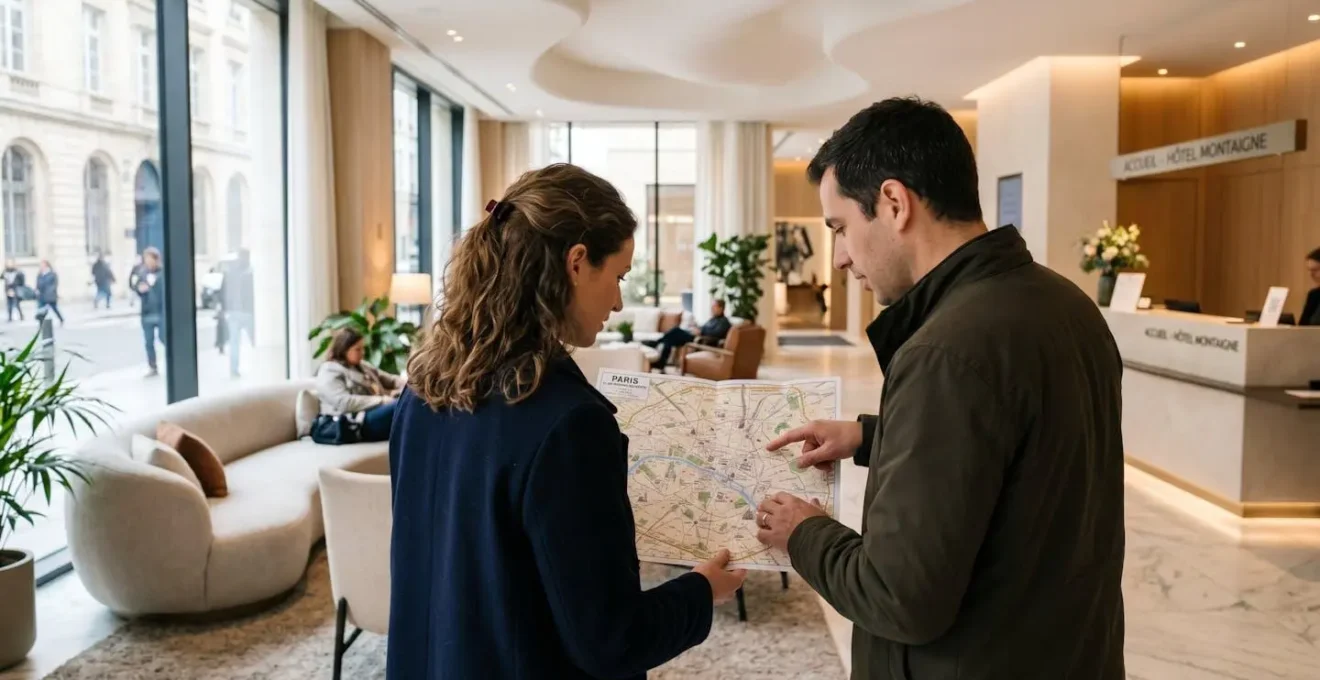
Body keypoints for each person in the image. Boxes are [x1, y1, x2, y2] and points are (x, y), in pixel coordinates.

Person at [756, 98, 1125, 678]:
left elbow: (897, 597)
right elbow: (1019, 447)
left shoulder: (945, 352)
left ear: (894, 203)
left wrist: (803, 533)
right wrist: (872, 436)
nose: (841, 257)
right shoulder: (1064, 302)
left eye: (841, 228)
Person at [388, 163, 746, 679]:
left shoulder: (423, 388)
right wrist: (702, 589)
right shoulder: (571, 424)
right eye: (618, 276)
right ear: (577, 262)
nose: (620, 301)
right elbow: (611, 641)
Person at [315, 328, 402, 443]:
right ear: (344, 349)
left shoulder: (363, 366)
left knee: (411, 400)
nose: (363, 353)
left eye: (363, 348)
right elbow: (344, 402)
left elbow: (391, 380)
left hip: (374, 414)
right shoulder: (329, 371)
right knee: (402, 406)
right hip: (355, 422)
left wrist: (411, 384)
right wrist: (381, 400)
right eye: (357, 349)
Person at [645, 298, 733, 369]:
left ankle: (656, 344)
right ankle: (661, 361)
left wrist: (701, 332)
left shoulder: (724, 322)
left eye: (714, 307)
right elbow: (704, 327)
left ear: (721, 308)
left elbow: (716, 334)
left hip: (701, 340)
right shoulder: (713, 319)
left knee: (676, 331)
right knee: (671, 338)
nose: (711, 309)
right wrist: (698, 329)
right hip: (696, 336)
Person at [220, 249, 255, 377]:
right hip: (242, 312)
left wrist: (225, 309)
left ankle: (234, 369)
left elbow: (223, 292)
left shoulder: (232, 272)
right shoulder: (249, 273)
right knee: (240, 341)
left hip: (239, 312)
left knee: (236, 342)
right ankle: (234, 369)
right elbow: (224, 291)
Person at [137, 248, 165, 377]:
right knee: (148, 342)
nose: (148, 262)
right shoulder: (142, 273)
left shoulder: (162, 273)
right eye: (146, 259)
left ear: (156, 259)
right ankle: (152, 367)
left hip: (160, 312)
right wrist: (139, 289)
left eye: (150, 259)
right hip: (147, 312)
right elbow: (136, 286)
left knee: (163, 338)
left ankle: (173, 361)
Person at [35, 260, 64, 325]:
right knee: (41, 309)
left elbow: (55, 284)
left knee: (54, 308)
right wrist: (37, 290)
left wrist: (51, 291)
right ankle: (41, 322)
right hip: (41, 295)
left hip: (50, 295)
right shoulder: (40, 274)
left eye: (43, 265)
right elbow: (37, 283)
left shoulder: (52, 274)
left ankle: (61, 319)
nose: (41, 267)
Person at [1299, 247, 1320, 325]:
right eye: (1310, 270)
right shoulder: (1314, 295)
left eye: (1315, 270)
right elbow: (1302, 327)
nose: (1311, 275)